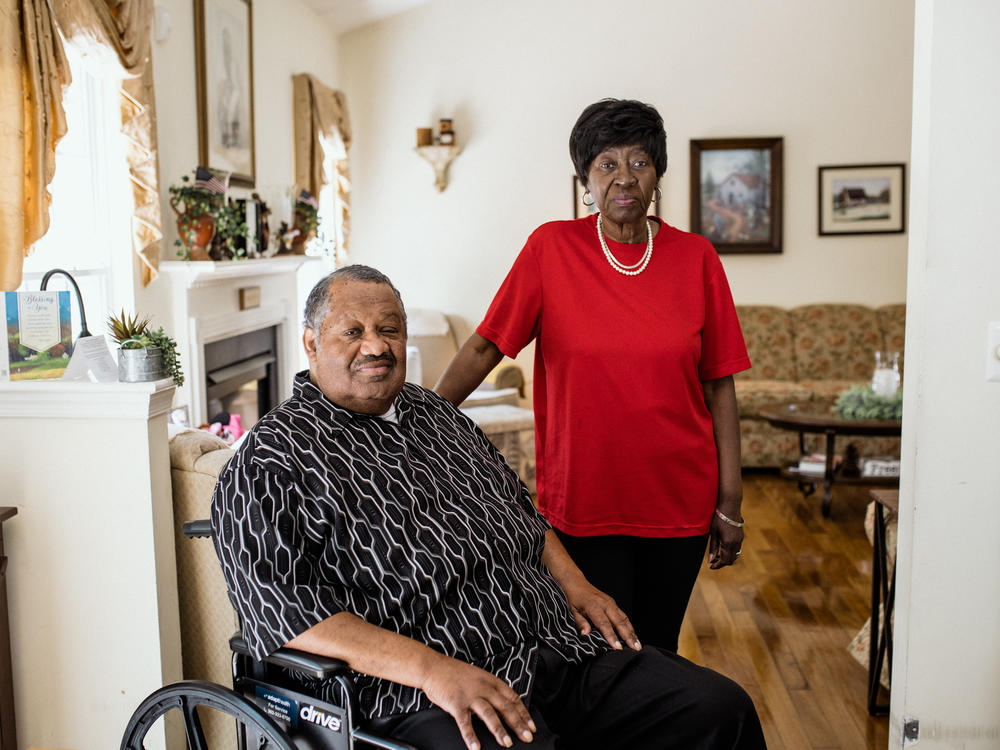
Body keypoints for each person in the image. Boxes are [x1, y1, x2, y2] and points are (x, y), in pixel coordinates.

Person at [212, 265, 766, 750]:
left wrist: (577, 584)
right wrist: (435, 672)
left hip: (552, 647)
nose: (376, 346)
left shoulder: (436, 414)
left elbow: (519, 509)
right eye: (351, 332)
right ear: (310, 344)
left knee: (720, 710)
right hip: (421, 693)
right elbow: (281, 611)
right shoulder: (270, 459)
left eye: (389, 329)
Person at [435, 99, 751, 653]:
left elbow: (718, 382)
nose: (624, 177)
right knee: (600, 655)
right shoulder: (551, 249)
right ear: (584, 178)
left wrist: (731, 501)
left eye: (640, 162)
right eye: (607, 163)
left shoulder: (697, 258)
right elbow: (487, 346)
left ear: (658, 175)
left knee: (657, 650)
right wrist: (420, 420)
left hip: (677, 503)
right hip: (584, 502)